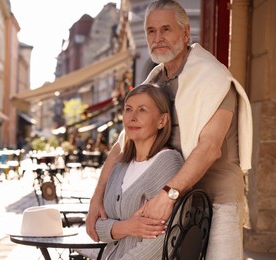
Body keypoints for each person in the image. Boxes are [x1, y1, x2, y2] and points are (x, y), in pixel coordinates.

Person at [86, 1, 253, 259]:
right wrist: (96, 198)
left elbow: (210, 148)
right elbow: (123, 144)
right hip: (169, 200)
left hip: (215, 198)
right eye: (151, 31)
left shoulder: (214, 77)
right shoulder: (154, 82)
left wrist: (168, 194)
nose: (158, 38)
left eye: (166, 29)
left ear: (185, 34)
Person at [94, 83, 183, 259]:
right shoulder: (120, 164)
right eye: (128, 109)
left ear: (162, 121)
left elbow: (164, 239)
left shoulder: (168, 162)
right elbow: (96, 228)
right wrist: (127, 227)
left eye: (142, 110)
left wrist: (113, 229)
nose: (132, 117)